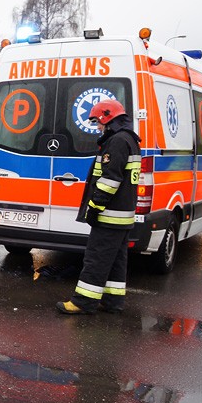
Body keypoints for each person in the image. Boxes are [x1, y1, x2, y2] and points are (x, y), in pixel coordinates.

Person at [57, 99, 140, 315]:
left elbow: (110, 181)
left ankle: (83, 302)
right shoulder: (129, 139)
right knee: (115, 261)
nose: (97, 127)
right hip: (122, 216)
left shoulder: (117, 142)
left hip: (109, 215)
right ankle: (113, 301)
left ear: (107, 117)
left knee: (96, 258)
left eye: (97, 122)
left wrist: (94, 207)